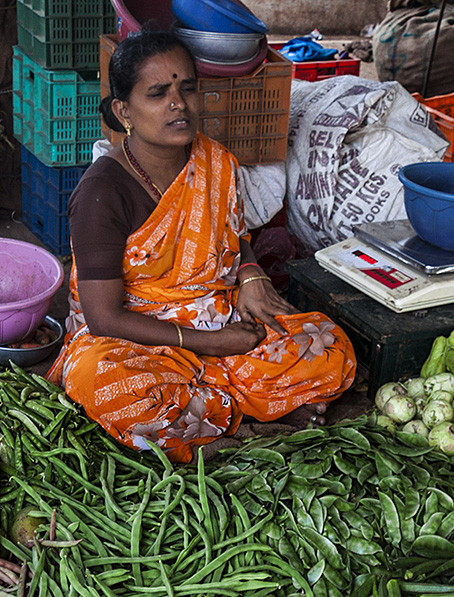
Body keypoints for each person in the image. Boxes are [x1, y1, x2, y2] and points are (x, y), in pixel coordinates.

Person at [46, 30, 356, 462]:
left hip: (217, 314)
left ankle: (210, 419)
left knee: (326, 342)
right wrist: (209, 344)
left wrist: (250, 274)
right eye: (158, 93)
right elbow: (102, 318)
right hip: (131, 340)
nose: (179, 103)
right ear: (123, 110)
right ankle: (252, 417)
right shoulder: (102, 191)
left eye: (187, 88)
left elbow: (231, 238)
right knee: (104, 383)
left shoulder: (215, 161)